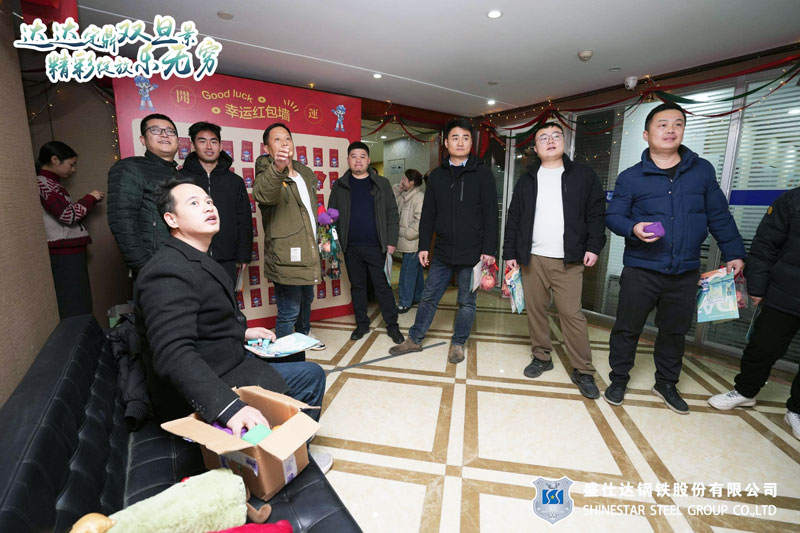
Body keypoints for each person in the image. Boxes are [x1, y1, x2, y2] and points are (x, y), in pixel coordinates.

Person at [135, 177, 332, 472]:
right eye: (194, 203)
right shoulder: (167, 271)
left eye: (209, 201)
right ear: (171, 219)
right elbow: (173, 354)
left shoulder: (194, 256)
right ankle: (286, 463)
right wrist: (229, 407)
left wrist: (243, 332)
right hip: (208, 381)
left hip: (225, 360)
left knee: (300, 363)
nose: (208, 207)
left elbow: (203, 321)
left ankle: (293, 449)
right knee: (310, 376)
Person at [605, 102, 746, 414]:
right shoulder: (631, 177)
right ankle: (618, 378)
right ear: (646, 134)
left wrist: (734, 252)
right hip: (641, 269)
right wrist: (633, 228)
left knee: (674, 332)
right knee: (627, 328)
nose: (670, 130)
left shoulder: (701, 171)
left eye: (677, 124)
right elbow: (614, 216)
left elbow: (719, 215)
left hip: (684, 270)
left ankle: (666, 383)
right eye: (662, 124)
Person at [502, 122, 606, 399]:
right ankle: (541, 356)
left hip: (568, 260)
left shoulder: (583, 175)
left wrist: (594, 246)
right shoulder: (527, 179)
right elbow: (514, 217)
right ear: (535, 148)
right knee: (536, 311)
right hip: (532, 257)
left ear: (564, 142)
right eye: (543, 138)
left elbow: (597, 214)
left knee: (571, 314)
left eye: (556, 136)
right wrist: (510, 253)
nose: (550, 141)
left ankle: (583, 370)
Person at [391, 118, 499, 364]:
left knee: (466, 302)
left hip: (473, 253)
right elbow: (428, 214)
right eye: (455, 138)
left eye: (465, 138)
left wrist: (489, 249)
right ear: (446, 143)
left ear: (471, 143)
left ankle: (458, 343)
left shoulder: (483, 174)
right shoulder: (437, 176)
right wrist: (423, 247)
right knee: (429, 296)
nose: (460, 142)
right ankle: (414, 339)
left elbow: (491, 214)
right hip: (442, 251)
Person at [708, 187, 800, 439]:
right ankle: (745, 392)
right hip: (784, 291)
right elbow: (765, 244)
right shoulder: (792, 200)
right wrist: (757, 286)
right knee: (762, 347)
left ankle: (796, 410)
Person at [252, 123, 324, 350]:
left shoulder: (304, 174)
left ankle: (304, 336)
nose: (284, 143)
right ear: (267, 149)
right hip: (285, 254)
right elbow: (263, 194)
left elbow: (309, 211)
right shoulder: (267, 174)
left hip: (308, 249)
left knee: (306, 300)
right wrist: (278, 167)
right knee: (289, 309)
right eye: (277, 140)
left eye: (287, 139)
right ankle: (284, 352)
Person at [328, 142, 404, 343]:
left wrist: (391, 241)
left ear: (368, 160)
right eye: (354, 156)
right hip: (351, 247)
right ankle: (361, 325)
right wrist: (332, 240)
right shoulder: (340, 185)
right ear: (348, 160)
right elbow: (331, 214)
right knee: (358, 287)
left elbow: (392, 213)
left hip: (376, 246)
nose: (358, 160)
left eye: (362, 156)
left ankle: (392, 326)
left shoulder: (382, 183)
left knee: (382, 287)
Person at [35, 141, 104, 319]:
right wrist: (90, 198)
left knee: (79, 299)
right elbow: (68, 215)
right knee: (74, 302)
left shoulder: (51, 183)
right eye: (71, 164)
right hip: (63, 254)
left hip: (69, 251)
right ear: (55, 160)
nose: (73, 170)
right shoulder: (43, 184)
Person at [107, 113, 181, 275]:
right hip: (154, 265)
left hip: (182, 263)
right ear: (143, 140)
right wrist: (143, 267)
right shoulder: (130, 168)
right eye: (155, 130)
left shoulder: (180, 176)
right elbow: (122, 221)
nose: (164, 135)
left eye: (170, 131)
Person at [180, 121, 252, 283]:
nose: (209, 146)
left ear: (220, 146)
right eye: (202, 141)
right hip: (190, 258)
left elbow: (244, 220)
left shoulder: (235, 181)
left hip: (227, 259)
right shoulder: (181, 179)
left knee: (227, 298)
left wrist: (243, 255)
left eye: (213, 141)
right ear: (193, 145)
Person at [393, 169, 426, 314]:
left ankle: (405, 302)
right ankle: (418, 296)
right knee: (415, 271)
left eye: (404, 180)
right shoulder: (405, 195)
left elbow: (419, 221)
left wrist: (407, 233)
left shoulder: (419, 197)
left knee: (407, 273)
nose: (402, 182)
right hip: (406, 241)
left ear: (412, 182)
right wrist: (399, 188)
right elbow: (392, 200)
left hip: (412, 241)